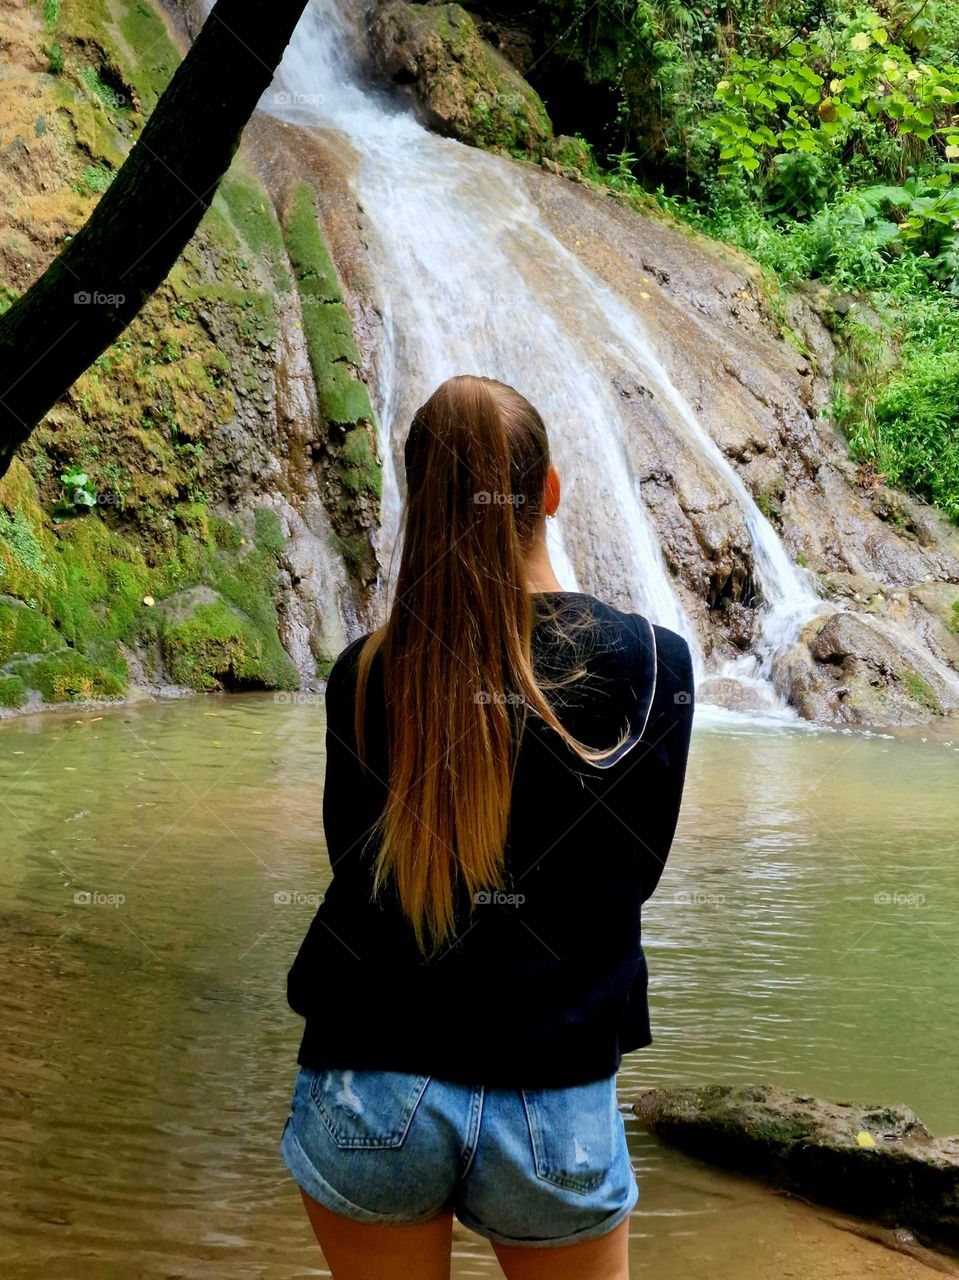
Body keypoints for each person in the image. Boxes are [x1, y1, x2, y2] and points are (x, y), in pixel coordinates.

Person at [280, 374, 695, 1280]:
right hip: (553, 1097)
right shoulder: (654, 668)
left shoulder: (361, 675)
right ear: (548, 491)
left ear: (417, 496)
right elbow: (636, 871)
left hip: (370, 1092)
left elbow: (356, 866)